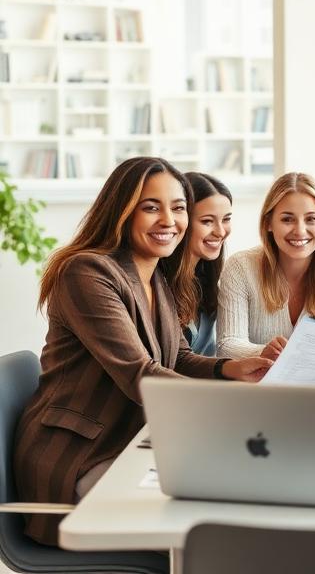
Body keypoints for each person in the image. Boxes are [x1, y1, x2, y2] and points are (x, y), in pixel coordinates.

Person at [13, 157, 271, 546]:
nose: (169, 220)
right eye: (151, 207)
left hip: (130, 442)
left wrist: (234, 369)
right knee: (210, 521)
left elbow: (179, 357)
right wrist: (229, 407)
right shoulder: (87, 272)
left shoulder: (154, 274)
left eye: (179, 207)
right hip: (79, 456)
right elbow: (141, 374)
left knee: (238, 496)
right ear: (122, 211)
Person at [216, 172, 315, 359]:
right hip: (257, 387)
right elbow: (227, 345)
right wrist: (263, 352)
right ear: (268, 223)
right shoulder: (240, 267)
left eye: (311, 219)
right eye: (287, 219)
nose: (300, 230)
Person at [163, 172, 232, 356]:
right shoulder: (157, 282)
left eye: (226, 219)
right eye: (207, 221)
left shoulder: (206, 281)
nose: (220, 231)